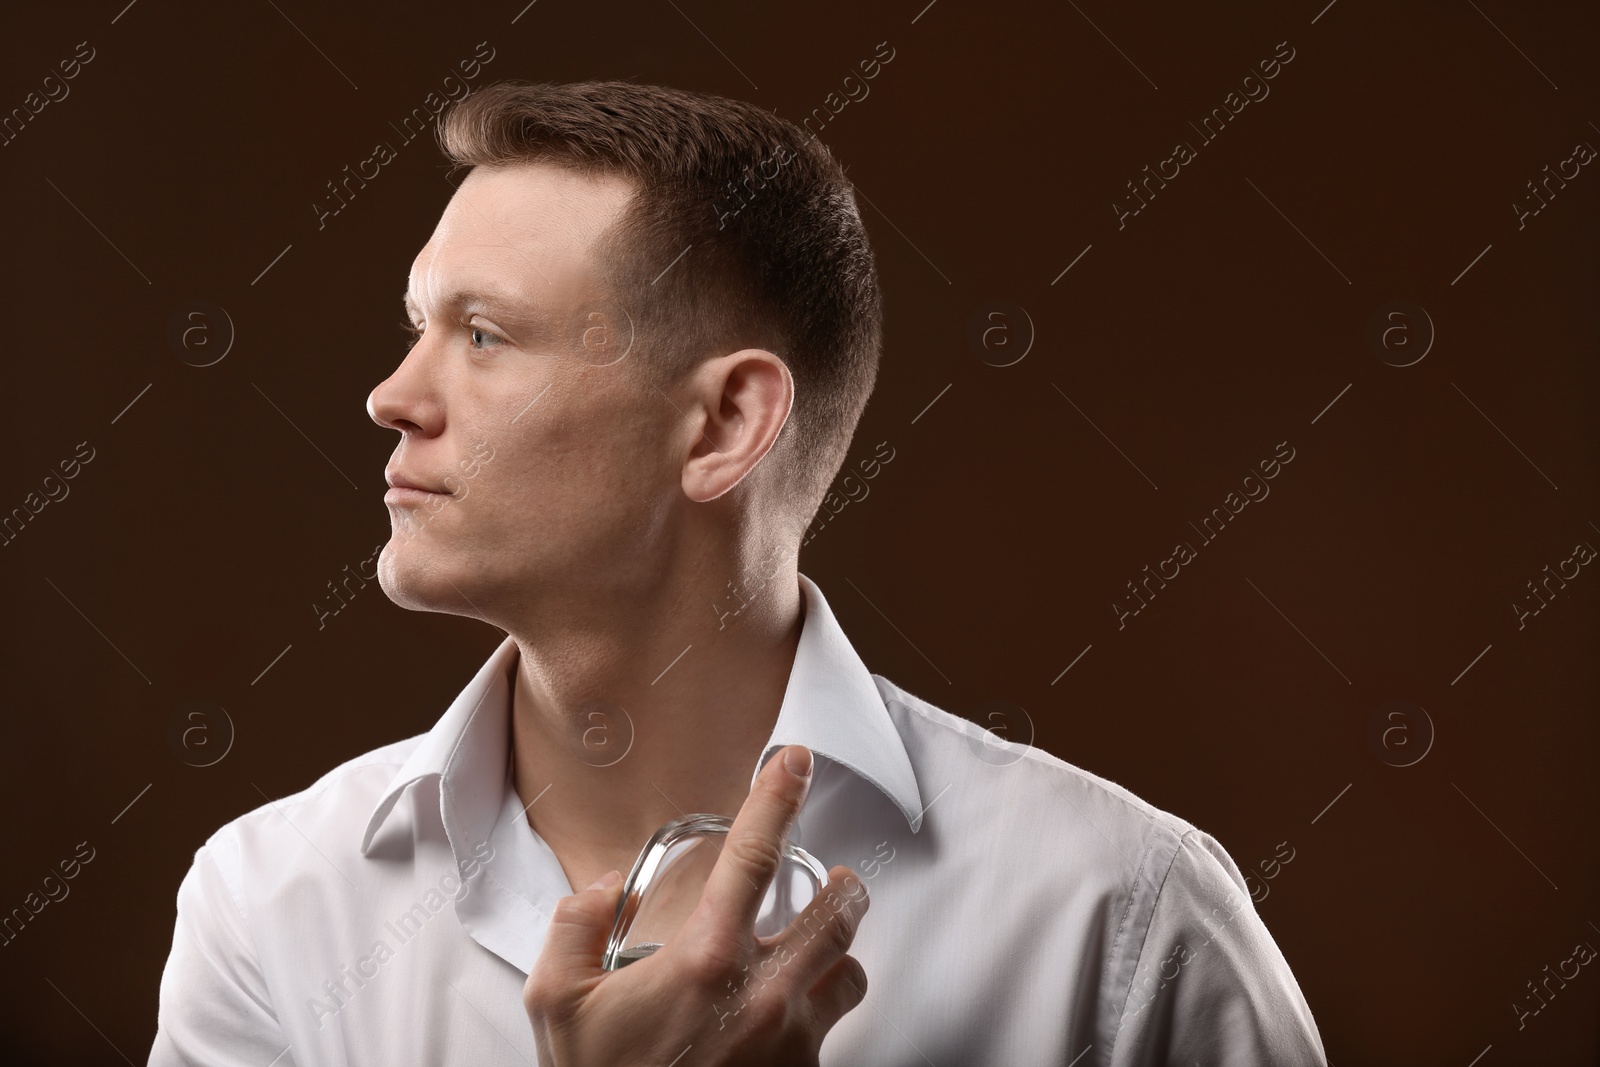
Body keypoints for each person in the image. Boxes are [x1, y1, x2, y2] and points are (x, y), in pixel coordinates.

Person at [149, 79, 1327, 1066]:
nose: (392, 396)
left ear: (722, 423)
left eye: (485, 334)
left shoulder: (1114, 916)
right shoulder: (272, 906)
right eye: (416, 325)